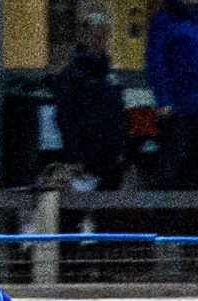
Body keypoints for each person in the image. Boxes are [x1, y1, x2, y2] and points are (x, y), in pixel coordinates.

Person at [146, 0, 198, 189]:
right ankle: (165, 216)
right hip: (178, 110)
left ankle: (195, 216)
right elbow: (156, 62)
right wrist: (164, 99)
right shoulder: (165, 21)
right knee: (173, 168)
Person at [53, 11, 127, 189]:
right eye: (95, 34)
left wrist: (122, 148)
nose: (99, 40)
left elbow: (118, 114)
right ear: (85, 37)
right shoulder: (72, 76)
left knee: (108, 208)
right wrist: (75, 156)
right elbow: (65, 118)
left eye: (103, 35)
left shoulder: (109, 75)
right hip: (85, 154)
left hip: (110, 155)